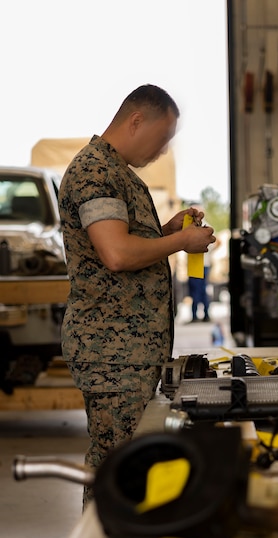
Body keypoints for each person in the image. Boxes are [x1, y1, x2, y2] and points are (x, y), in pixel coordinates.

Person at [58, 84, 215, 506]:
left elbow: (126, 243)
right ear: (136, 120)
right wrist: (182, 242)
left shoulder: (117, 172)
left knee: (129, 461)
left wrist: (167, 231)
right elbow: (117, 254)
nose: (163, 151)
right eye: (162, 139)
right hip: (112, 352)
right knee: (116, 464)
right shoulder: (96, 172)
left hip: (129, 350)